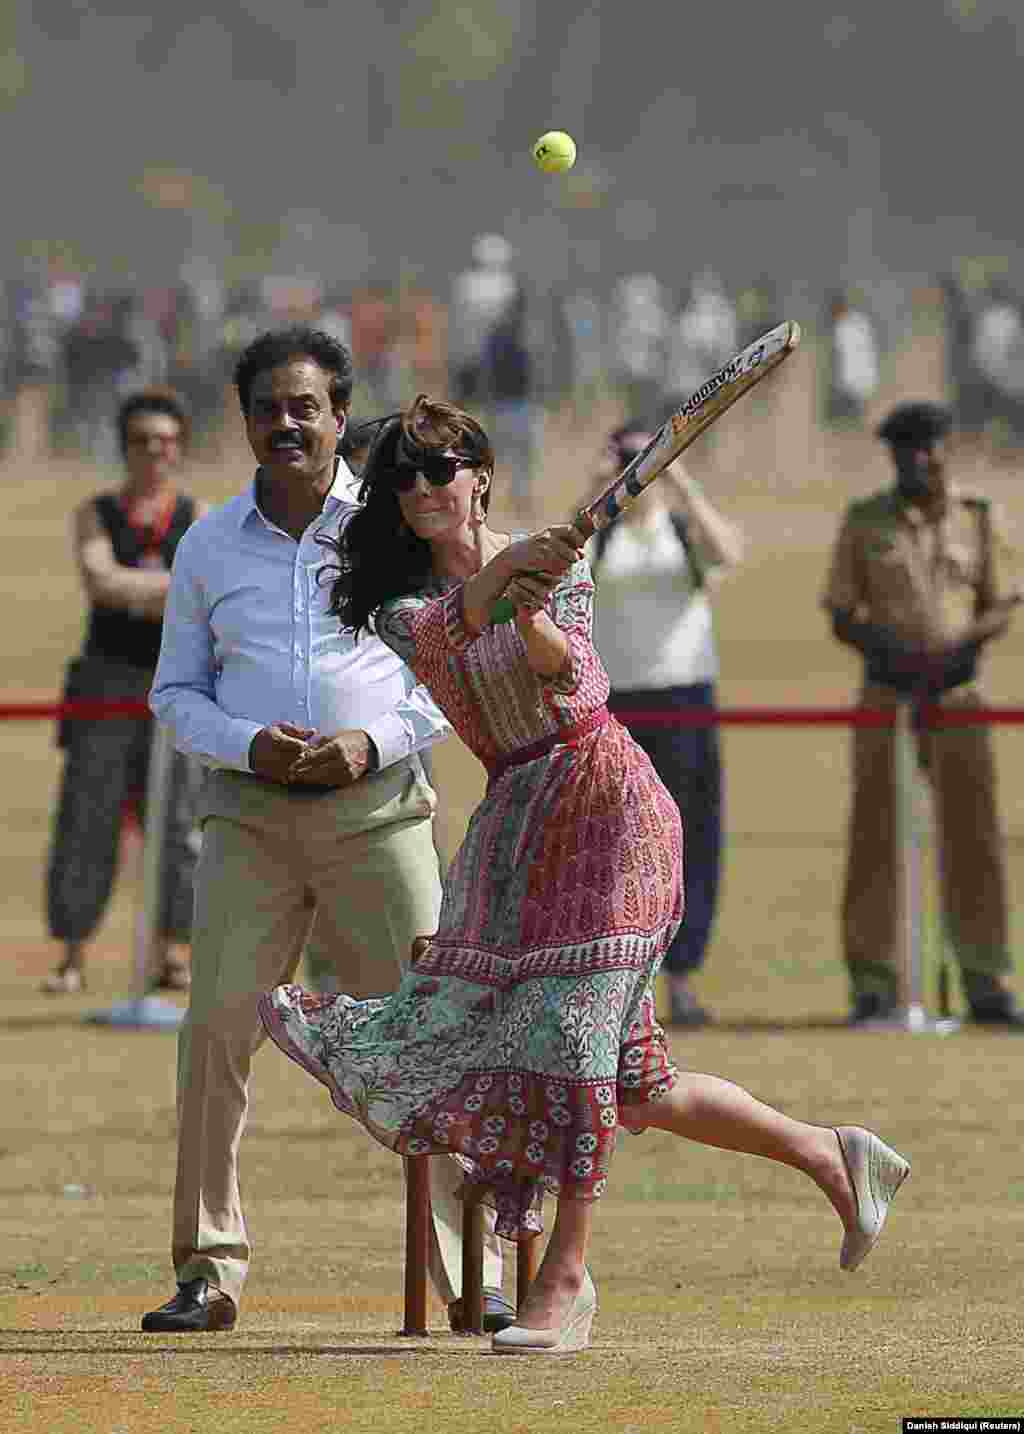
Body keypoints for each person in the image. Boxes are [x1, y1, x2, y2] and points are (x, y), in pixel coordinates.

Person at [258, 393, 911, 1355]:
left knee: (572, 1042)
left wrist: (535, 602)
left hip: (612, 805)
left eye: (443, 468)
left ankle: (564, 1279)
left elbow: (571, 676)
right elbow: (446, 639)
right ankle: (833, 1154)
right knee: (635, 1082)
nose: (425, 488)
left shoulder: (553, 567)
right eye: (404, 477)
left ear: (480, 475)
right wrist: (510, 579)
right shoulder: (401, 604)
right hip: (520, 824)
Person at [142, 329, 510, 1337]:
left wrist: (369, 742)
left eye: (304, 406)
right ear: (247, 420)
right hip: (248, 822)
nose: (285, 423)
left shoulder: (393, 525)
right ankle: (207, 1272)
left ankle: (476, 1276)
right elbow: (174, 692)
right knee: (214, 1035)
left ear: (340, 416)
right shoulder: (210, 542)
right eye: (267, 407)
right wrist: (249, 744)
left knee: (427, 1044)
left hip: (378, 813)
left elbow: (454, 675)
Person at [823, 400, 1024, 1028]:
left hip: (959, 694)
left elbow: (1001, 602)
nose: (915, 458)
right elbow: (840, 609)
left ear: (945, 449)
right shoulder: (865, 521)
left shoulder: (979, 518)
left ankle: (985, 980)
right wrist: (890, 653)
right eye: (902, 448)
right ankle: (875, 985)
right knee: (877, 836)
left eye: (925, 446)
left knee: (975, 838)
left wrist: (958, 649)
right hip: (887, 692)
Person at [42, 387, 202, 995]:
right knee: (88, 816)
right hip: (105, 682)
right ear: (124, 447)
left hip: (178, 685)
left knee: (183, 822)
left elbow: (203, 590)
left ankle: (176, 952)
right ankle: (72, 954)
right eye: (142, 441)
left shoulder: (198, 515)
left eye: (165, 441)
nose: (154, 452)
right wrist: (171, 587)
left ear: (180, 449)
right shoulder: (96, 512)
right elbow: (100, 581)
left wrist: (142, 587)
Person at [586, 421, 746, 1026]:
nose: (639, 468)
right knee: (611, 849)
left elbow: (729, 552)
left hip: (685, 700)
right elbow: (550, 562)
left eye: (645, 457)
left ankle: (682, 979)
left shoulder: (679, 528)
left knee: (691, 841)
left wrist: (676, 473)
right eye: (632, 457)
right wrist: (601, 485)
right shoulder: (600, 535)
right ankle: (619, 983)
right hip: (614, 705)